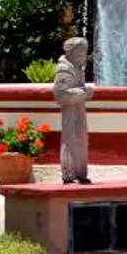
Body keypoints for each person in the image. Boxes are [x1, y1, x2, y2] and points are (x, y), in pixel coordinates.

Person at [53, 36, 91, 183]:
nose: (83, 57)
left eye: (84, 53)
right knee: (71, 140)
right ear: (71, 53)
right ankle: (69, 174)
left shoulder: (77, 68)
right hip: (71, 111)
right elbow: (60, 95)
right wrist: (82, 93)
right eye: (80, 54)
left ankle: (80, 173)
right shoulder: (64, 69)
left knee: (81, 139)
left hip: (78, 109)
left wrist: (84, 92)